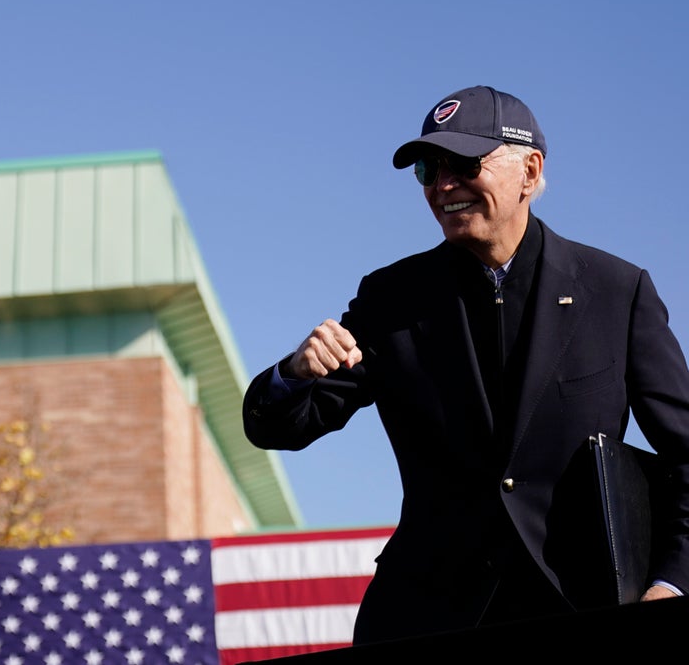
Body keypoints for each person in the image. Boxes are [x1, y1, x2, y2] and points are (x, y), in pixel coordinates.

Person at [242, 86, 689, 643]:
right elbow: (280, 427)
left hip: (581, 599)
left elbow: (686, 457)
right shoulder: (390, 299)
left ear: (530, 170)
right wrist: (293, 373)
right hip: (425, 613)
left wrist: (671, 582)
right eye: (429, 169)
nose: (443, 185)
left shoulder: (618, 292)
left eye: (464, 164)